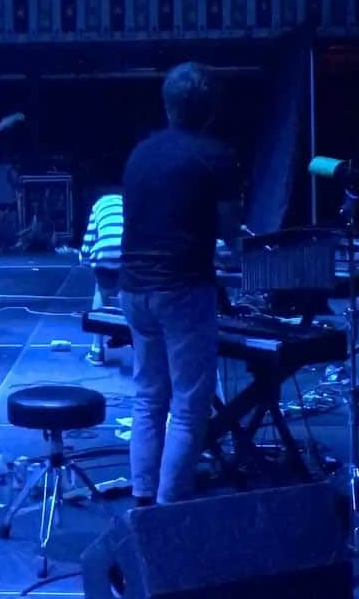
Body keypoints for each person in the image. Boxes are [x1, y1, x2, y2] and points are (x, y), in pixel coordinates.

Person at [120, 62, 241, 506]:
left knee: (148, 396)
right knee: (189, 407)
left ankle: (143, 498)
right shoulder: (215, 155)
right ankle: (171, 512)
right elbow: (231, 231)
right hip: (182, 290)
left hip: (132, 289)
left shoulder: (140, 153)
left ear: (168, 106)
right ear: (210, 110)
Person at [80, 192, 123, 366]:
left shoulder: (98, 205)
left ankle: (97, 350)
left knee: (101, 292)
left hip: (104, 252)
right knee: (126, 294)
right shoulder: (129, 203)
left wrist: (84, 258)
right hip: (128, 252)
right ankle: (126, 338)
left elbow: (90, 236)